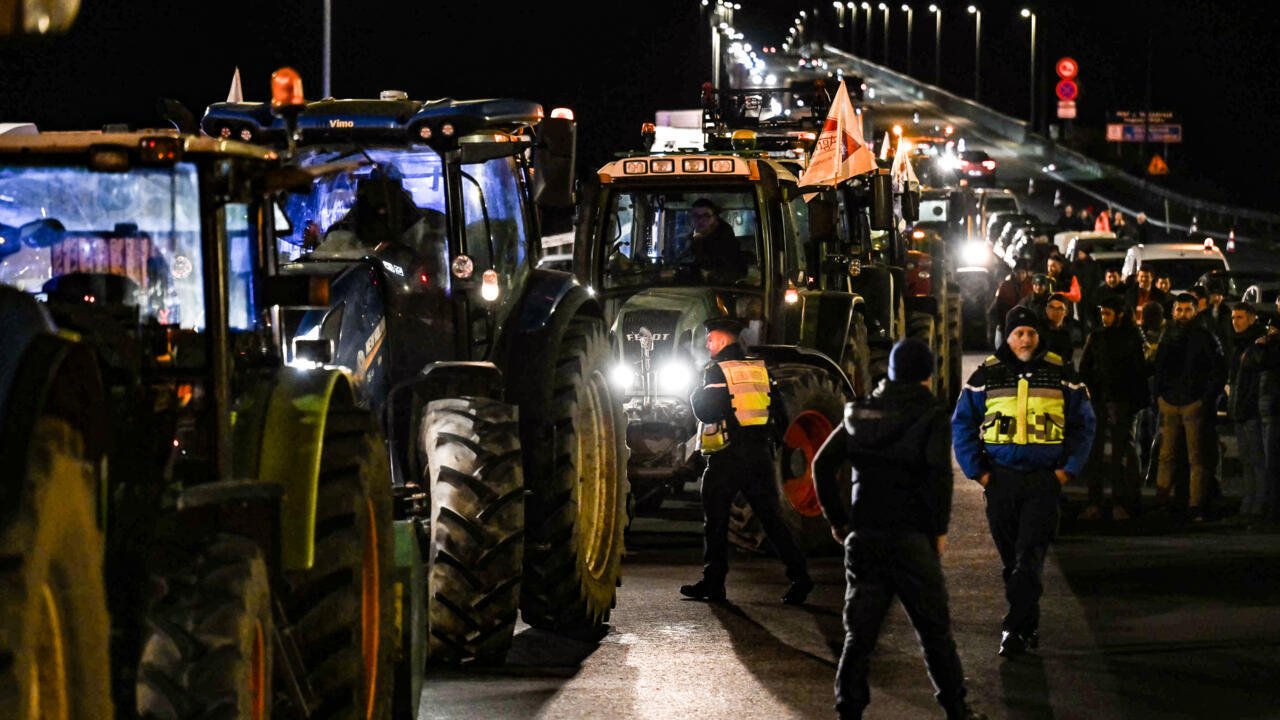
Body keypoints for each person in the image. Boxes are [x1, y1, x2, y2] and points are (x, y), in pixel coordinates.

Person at [814, 339, 986, 720]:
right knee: (934, 632)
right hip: (912, 538)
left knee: (860, 635)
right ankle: (957, 710)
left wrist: (838, 521)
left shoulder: (859, 412)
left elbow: (822, 465)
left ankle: (849, 710)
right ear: (927, 374)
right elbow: (939, 477)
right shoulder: (931, 415)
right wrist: (939, 531)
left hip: (866, 535)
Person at [952, 307, 1096, 657]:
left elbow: (1084, 424)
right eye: (1019, 334)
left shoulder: (1061, 372)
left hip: (1043, 483)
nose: (1026, 339)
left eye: (1031, 333)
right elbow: (962, 425)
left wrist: (1066, 471)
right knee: (1012, 563)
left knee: (1028, 557)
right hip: (1001, 481)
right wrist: (980, 473)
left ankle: (1014, 629)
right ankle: (1028, 624)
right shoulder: (986, 374)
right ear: (1008, 336)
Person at [681, 317, 813, 604]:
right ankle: (801, 577)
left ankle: (713, 583)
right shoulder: (759, 370)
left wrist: (693, 391)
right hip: (759, 457)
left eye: (711, 338)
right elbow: (780, 415)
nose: (707, 344)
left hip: (727, 457)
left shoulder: (717, 371)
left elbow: (707, 412)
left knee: (715, 521)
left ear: (725, 339)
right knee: (772, 520)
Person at [1151, 294, 1226, 522]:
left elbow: (1218, 370)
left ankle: (1195, 504)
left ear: (1195, 311)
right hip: (1172, 402)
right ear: (1173, 311)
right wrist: (1160, 396)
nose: (1182, 314)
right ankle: (1163, 501)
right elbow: (1159, 368)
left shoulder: (1204, 337)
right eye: (1179, 310)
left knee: (1196, 457)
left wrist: (1205, 399)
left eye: (1187, 310)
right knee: (1167, 455)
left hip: (1193, 402)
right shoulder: (1168, 335)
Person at [1077, 297, 1149, 520]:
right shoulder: (1097, 336)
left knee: (1121, 454)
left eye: (1108, 313)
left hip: (1122, 401)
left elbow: (1139, 371)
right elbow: (1085, 367)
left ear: (1119, 314)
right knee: (1095, 453)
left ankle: (1121, 502)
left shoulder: (1131, 337)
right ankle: (1094, 502)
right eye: (1102, 314)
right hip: (1100, 400)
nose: (1103, 317)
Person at [1229, 302, 1268, 521]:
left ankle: (1257, 503)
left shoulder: (1256, 344)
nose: (1235, 322)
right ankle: (1249, 500)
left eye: (1240, 317)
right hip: (1241, 408)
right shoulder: (1240, 343)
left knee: (1255, 459)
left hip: (1251, 409)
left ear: (1252, 318)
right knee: (1247, 459)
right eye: (1234, 317)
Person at [678, 198, 746, 282]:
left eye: (706, 216)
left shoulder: (725, 242)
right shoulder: (692, 238)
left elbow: (722, 271)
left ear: (715, 218)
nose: (700, 220)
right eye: (696, 216)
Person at [988, 261, 1032, 348]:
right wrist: (1002, 322)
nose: (1020, 275)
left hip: (1025, 322)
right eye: (1018, 272)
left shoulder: (1030, 286)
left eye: (1023, 272)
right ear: (1014, 273)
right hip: (1008, 321)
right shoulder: (1005, 286)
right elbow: (999, 305)